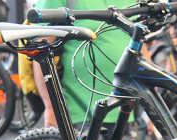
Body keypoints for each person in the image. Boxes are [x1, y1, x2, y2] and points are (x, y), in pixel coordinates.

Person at [32, 0, 133, 128]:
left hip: (126, 108)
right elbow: (40, 50)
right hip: (81, 112)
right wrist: (51, 107)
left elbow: (140, 45)